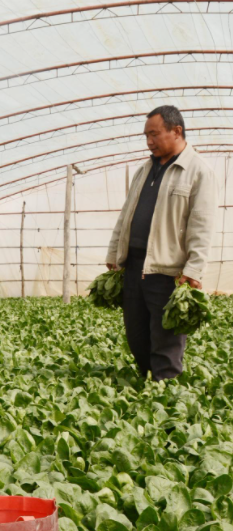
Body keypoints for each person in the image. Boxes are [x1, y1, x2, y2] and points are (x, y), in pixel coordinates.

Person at [106, 105, 217, 381]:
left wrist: (194, 270)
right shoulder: (144, 170)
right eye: (146, 135)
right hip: (134, 266)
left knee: (166, 340)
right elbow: (126, 214)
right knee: (136, 336)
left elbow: (202, 225)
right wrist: (114, 251)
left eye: (154, 134)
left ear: (176, 130)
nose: (149, 142)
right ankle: (150, 383)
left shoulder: (198, 171)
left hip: (167, 272)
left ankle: (166, 397)